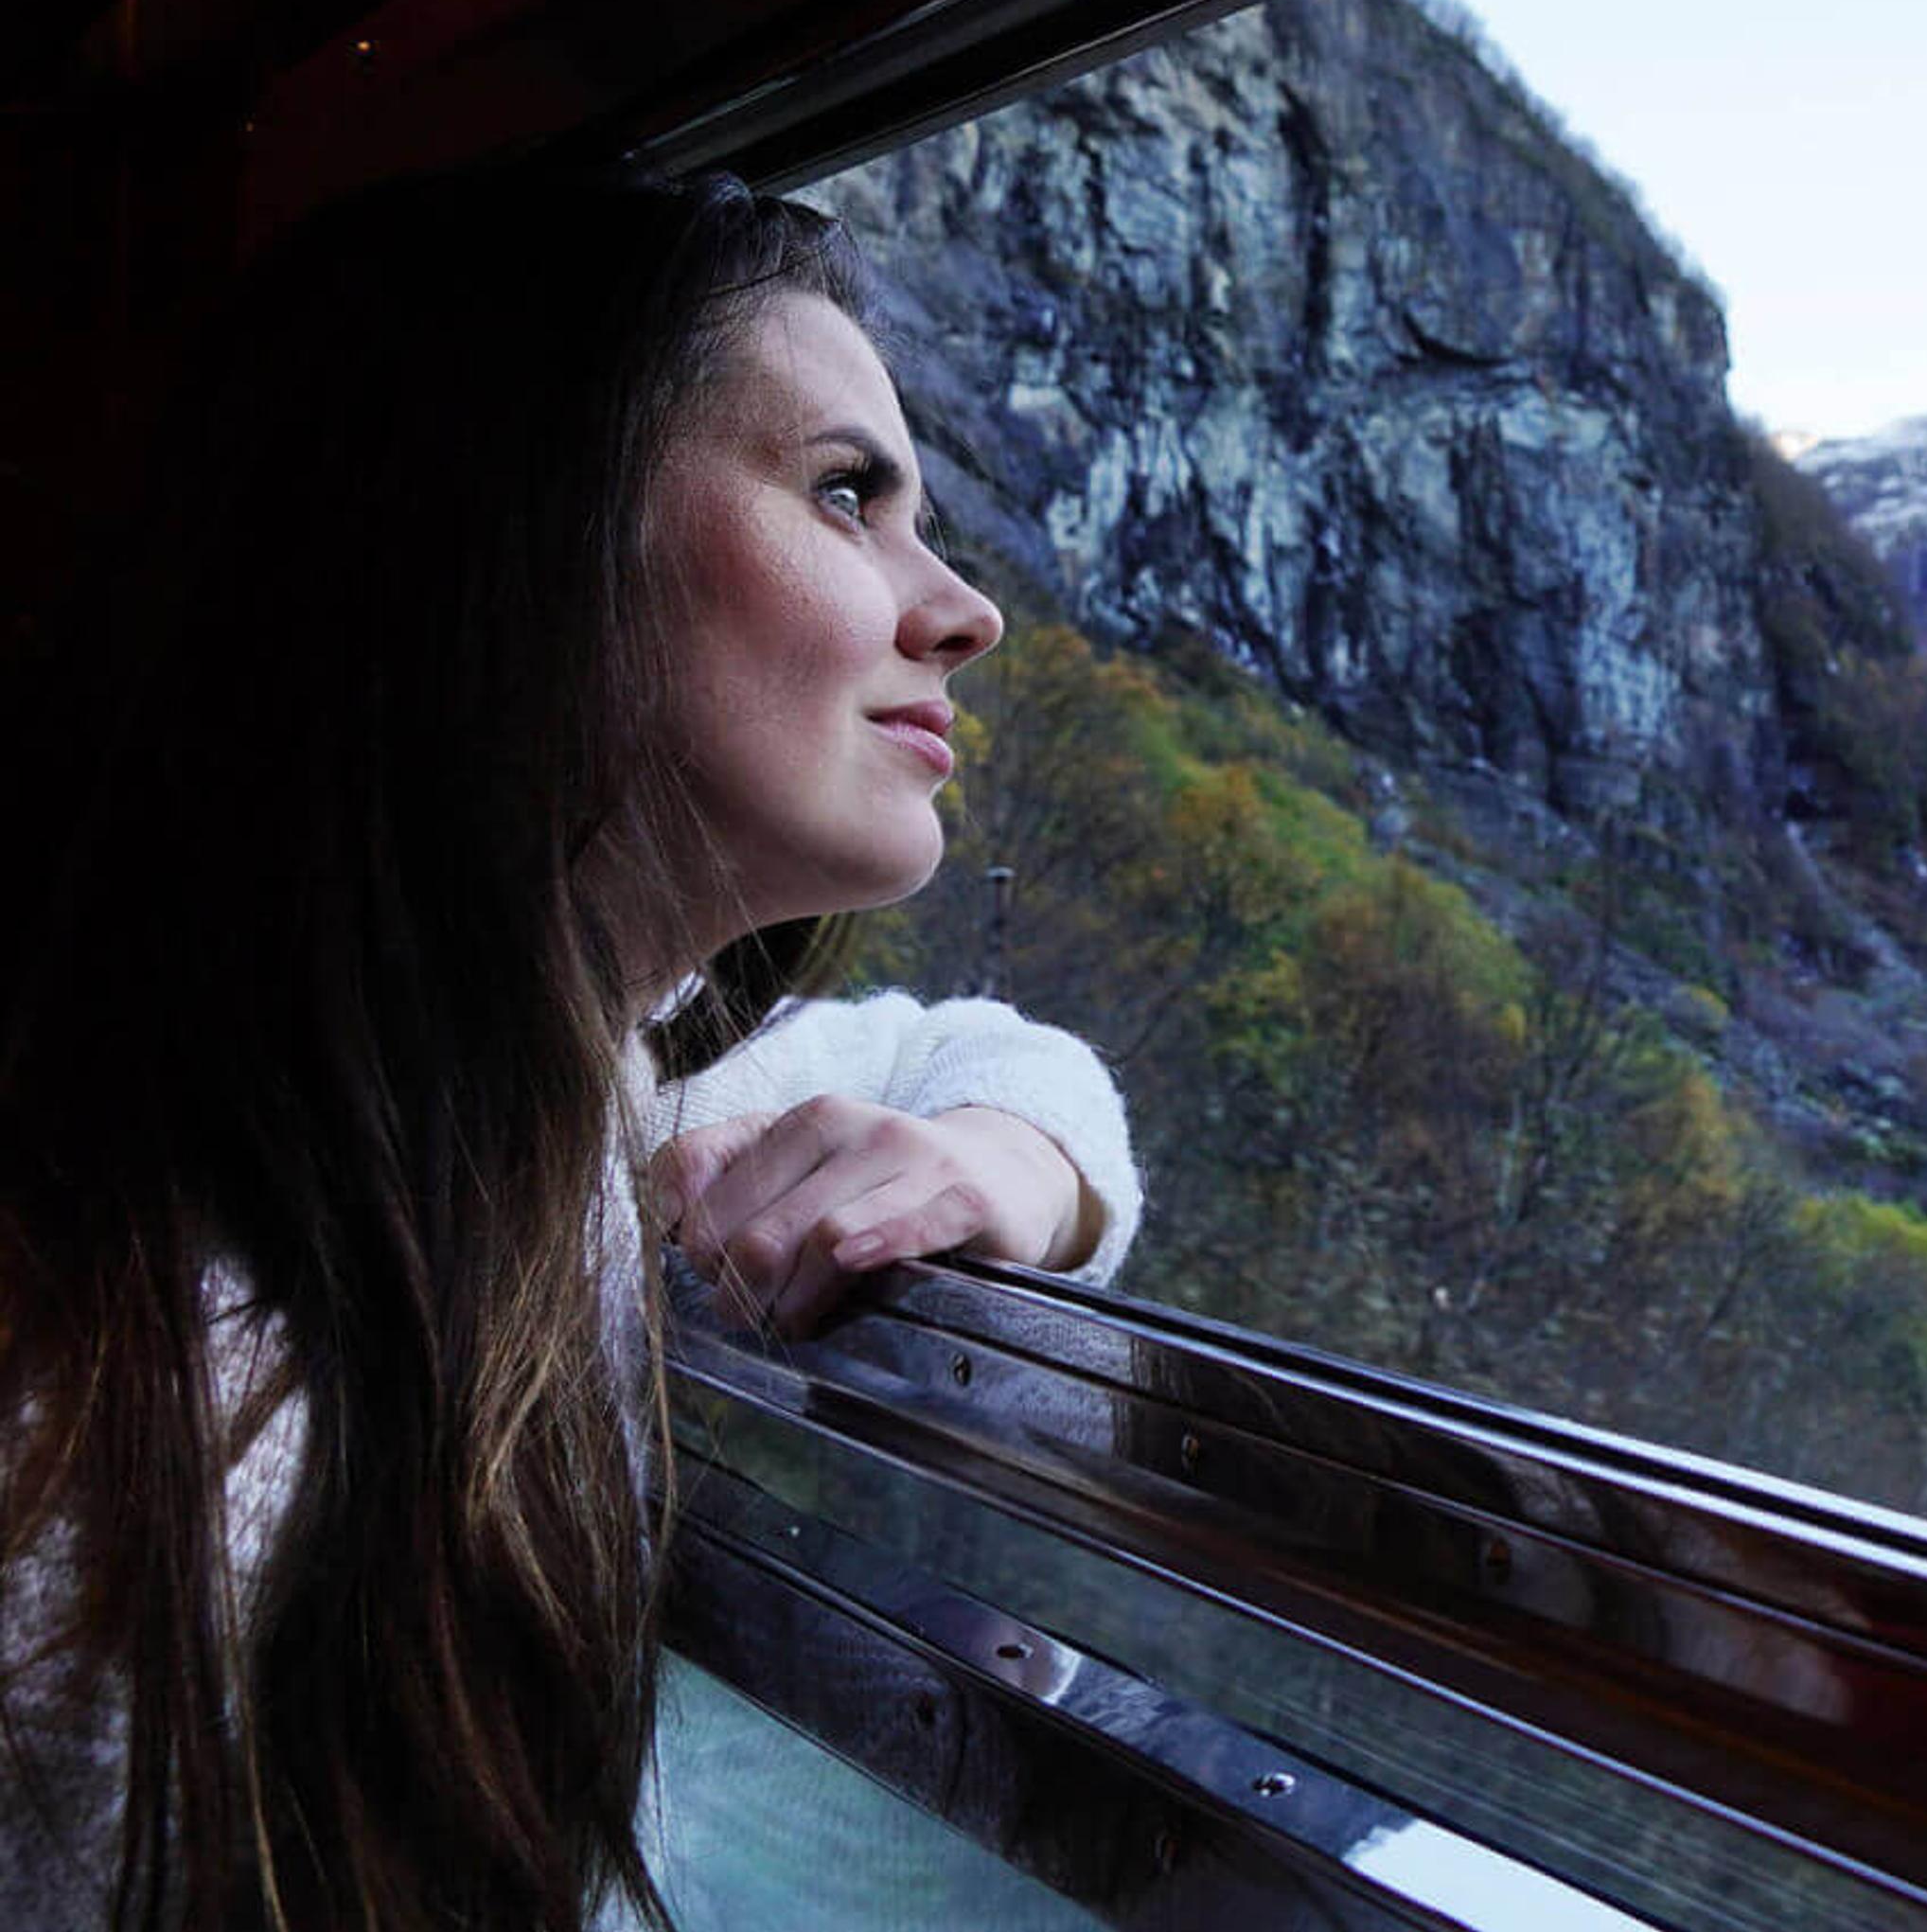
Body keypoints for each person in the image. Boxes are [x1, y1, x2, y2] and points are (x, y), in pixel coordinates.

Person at [0, 170, 1139, 1929]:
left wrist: (1008, 1167)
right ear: (516, 529)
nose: (966, 609)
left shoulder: (576, 1094)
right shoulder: (117, 1377)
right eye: (848, 494)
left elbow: (963, 1046)